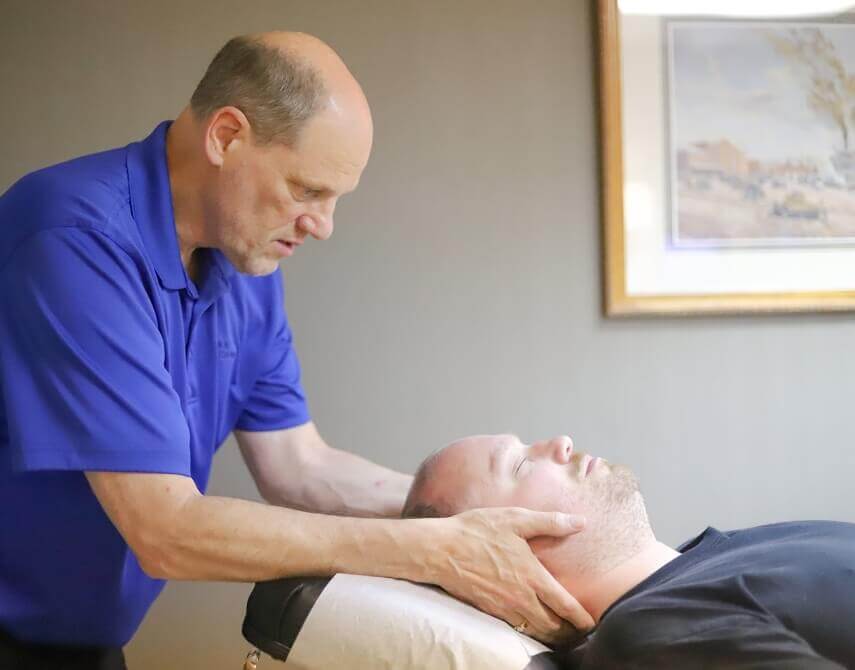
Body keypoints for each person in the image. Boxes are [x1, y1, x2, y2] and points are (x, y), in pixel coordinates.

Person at [0, 33, 594, 667]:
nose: (324, 225)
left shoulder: (242, 264)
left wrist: (489, 511)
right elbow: (166, 530)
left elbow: (298, 466)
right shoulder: (73, 238)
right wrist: (437, 547)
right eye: (307, 191)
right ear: (226, 136)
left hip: (80, 643)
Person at [402, 433, 855, 669]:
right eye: (520, 464)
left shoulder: (743, 547)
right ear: (494, 556)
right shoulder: (654, 633)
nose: (561, 442)